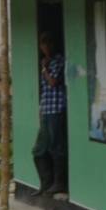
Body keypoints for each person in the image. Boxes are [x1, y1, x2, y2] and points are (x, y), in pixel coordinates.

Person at [34, 30, 69, 196]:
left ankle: (59, 183)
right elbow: (44, 90)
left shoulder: (58, 61)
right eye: (43, 43)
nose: (46, 47)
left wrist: (43, 69)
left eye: (49, 43)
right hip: (47, 109)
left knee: (57, 147)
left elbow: (53, 82)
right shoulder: (46, 62)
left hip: (57, 109)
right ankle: (45, 184)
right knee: (39, 149)